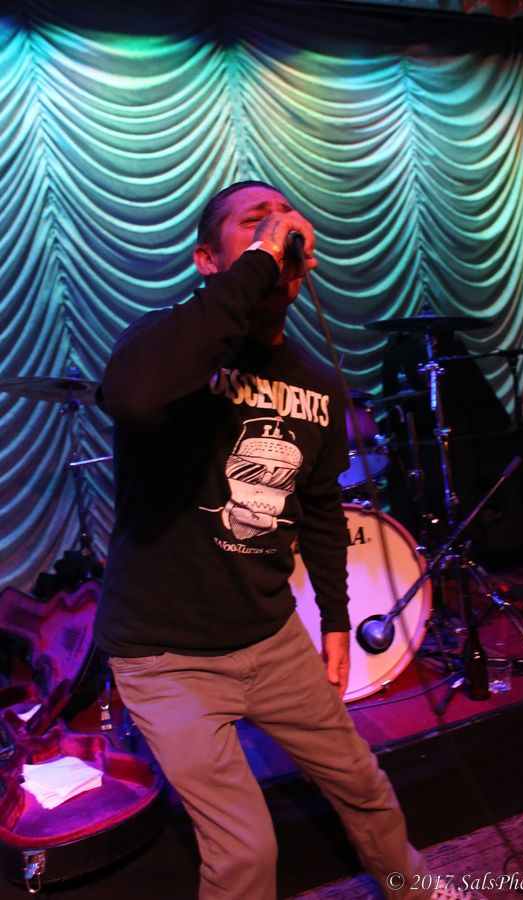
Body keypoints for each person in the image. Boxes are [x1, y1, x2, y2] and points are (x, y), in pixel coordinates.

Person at [94, 181, 437, 900]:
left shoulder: (317, 382)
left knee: (364, 786)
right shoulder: (165, 346)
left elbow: (320, 509)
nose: (279, 229)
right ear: (207, 260)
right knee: (246, 852)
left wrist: (336, 620)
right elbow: (133, 399)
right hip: (167, 658)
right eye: (256, 222)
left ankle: (415, 887)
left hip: (272, 641)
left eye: (285, 221)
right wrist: (259, 261)